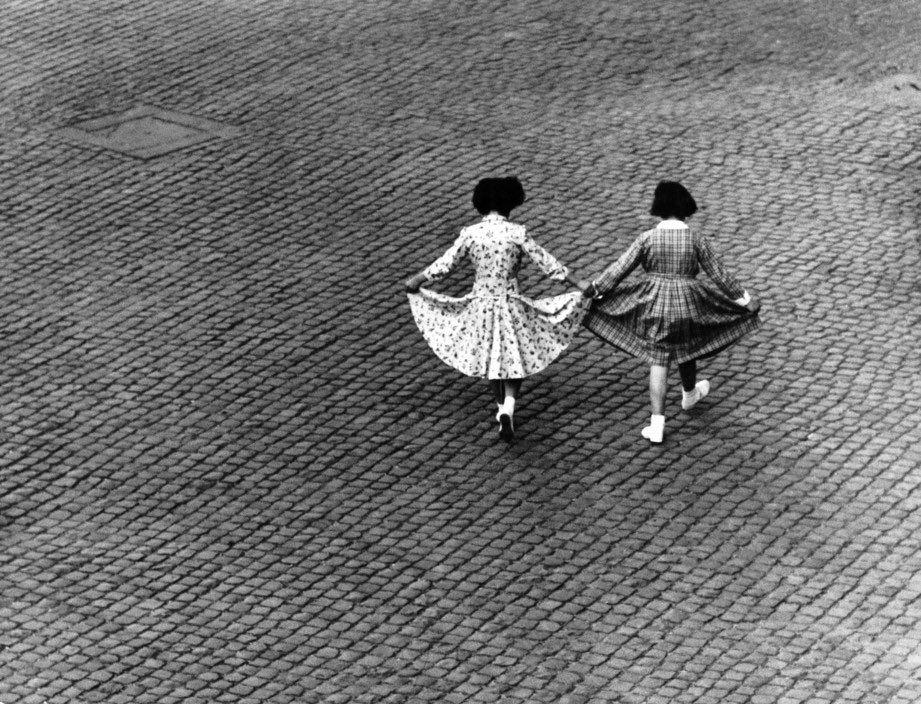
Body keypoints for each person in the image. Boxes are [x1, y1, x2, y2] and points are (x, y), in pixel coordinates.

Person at [405, 176, 587, 441]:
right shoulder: (517, 233)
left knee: (491, 354)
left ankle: (500, 407)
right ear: (511, 203)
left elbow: (445, 265)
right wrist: (579, 283)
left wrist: (417, 280)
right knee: (514, 354)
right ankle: (510, 405)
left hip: (481, 303)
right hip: (510, 301)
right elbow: (550, 266)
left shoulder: (471, 234)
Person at [581, 181, 761, 443]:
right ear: (685, 206)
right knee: (687, 347)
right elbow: (719, 274)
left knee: (659, 359)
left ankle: (657, 425)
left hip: (654, 302)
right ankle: (689, 394)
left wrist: (596, 290)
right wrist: (745, 300)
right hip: (689, 302)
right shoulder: (695, 239)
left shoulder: (648, 238)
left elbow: (619, 269)